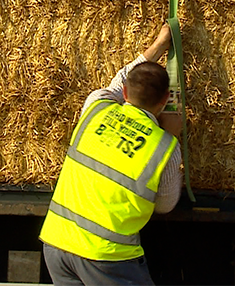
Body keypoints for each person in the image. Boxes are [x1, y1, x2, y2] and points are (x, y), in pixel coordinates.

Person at [40, 24, 184, 286]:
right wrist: (171, 134)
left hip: (56, 244)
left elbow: (120, 79)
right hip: (106, 256)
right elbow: (165, 205)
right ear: (165, 101)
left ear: (126, 94)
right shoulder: (164, 147)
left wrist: (159, 45)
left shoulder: (96, 107)